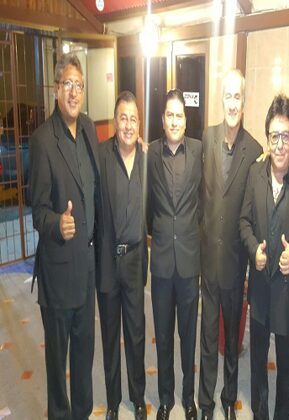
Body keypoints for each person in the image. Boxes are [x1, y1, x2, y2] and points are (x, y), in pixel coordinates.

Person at [29, 53, 101, 419]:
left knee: (85, 352)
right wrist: (57, 223)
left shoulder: (87, 127)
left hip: (86, 266)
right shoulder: (43, 140)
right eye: (68, 84)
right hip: (58, 272)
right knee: (58, 361)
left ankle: (82, 412)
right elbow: (37, 210)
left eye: (79, 85)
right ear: (57, 89)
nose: (74, 92)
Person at [239, 94, 289, 420]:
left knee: (286, 369)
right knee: (258, 364)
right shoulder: (254, 174)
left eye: (286, 136)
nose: (280, 144)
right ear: (267, 139)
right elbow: (244, 221)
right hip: (259, 290)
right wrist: (253, 248)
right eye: (274, 136)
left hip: (287, 296)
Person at [199, 69, 263, 420]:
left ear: (244, 101)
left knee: (232, 344)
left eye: (238, 96)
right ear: (220, 99)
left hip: (236, 264)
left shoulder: (255, 150)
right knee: (208, 338)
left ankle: (228, 401)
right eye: (228, 96)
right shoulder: (206, 138)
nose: (232, 103)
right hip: (208, 260)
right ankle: (206, 402)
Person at [147, 89, 202, 420]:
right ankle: (166, 399)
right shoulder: (150, 153)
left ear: (186, 119)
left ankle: (189, 397)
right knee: (164, 336)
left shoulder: (198, 150)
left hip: (189, 262)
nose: (174, 120)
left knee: (188, 337)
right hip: (162, 263)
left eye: (179, 115)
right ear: (162, 118)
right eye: (169, 114)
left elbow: (205, 200)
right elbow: (145, 203)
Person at [96, 91, 148, 420]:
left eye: (133, 118)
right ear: (115, 122)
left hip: (134, 260)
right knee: (110, 334)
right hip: (106, 260)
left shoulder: (147, 158)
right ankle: (113, 401)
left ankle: (138, 397)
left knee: (136, 333)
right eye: (123, 118)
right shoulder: (100, 155)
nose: (128, 124)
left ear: (139, 124)